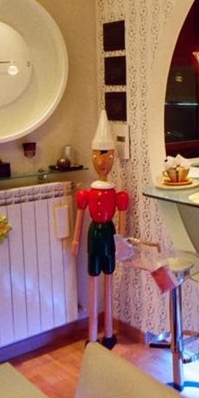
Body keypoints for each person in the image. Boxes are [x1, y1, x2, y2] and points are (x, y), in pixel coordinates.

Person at [71, 110, 129, 348]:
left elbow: (122, 223)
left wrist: (121, 243)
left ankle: (109, 333)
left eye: (107, 155)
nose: (102, 161)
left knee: (109, 278)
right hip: (94, 235)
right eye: (97, 155)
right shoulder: (87, 193)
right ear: (92, 156)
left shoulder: (117, 194)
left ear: (113, 157)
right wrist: (76, 241)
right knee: (94, 278)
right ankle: (93, 334)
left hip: (108, 235)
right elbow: (80, 217)